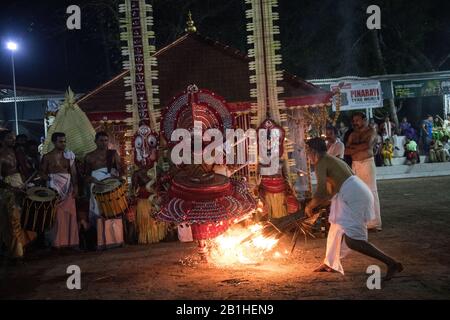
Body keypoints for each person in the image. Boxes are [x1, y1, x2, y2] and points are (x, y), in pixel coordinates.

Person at [304, 137, 403, 279]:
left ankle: (391, 263)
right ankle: (330, 263)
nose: (308, 158)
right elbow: (330, 192)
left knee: (353, 241)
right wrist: (320, 203)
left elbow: (321, 192)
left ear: (313, 152)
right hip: (353, 193)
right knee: (336, 228)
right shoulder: (330, 160)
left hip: (355, 196)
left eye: (308, 153)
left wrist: (310, 206)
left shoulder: (322, 163)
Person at [84, 131, 124, 249]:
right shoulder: (89, 156)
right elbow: (86, 176)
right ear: (95, 141)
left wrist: (116, 178)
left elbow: (121, 170)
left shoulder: (113, 154)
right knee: (100, 213)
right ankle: (102, 242)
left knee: (114, 211)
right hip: (97, 187)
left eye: (106, 140)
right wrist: (94, 180)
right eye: (101, 140)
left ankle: (116, 240)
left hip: (111, 186)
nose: (104, 143)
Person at [40, 132, 79, 249]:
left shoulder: (69, 155)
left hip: (68, 187)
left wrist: (76, 186)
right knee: (56, 216)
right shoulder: (47, 157)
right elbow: (41, 172)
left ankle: (71, 242)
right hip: (53, 188)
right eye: (60, 141)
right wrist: (49, 179)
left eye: (64, 141)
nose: (63, 144)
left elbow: (73, 173)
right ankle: (57, 243)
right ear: (54, 142)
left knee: (70, 214)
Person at [345, 112, 381, 231]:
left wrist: (354, 148)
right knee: (359, 193)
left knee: (371, 192)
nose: (355, 122)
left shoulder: (371, 131)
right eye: (354, 120)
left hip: (367, 163)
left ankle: (374, 223)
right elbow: (346, 150)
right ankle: (363, 222)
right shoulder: (352, 134)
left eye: (357, 120)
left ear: (364, 120)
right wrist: (357, 148)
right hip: (355, 164)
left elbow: (367, 145)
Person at [0, 130, 25, 260]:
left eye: (14, 138)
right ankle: (16, 253)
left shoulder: (16, 153)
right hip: (8, 189)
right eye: (10, 138)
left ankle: (19, 249)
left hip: (19, 185)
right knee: (12, 221)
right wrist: (11, 187)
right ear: (2, 140)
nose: (13, 140)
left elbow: (22, 170)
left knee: (20, 219)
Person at [132, 167, 167, 244]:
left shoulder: (158, 170)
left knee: (154, 218)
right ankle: (150, 237)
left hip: (153, 200)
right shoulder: (137, 173)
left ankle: (155, 236)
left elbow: (134, 189)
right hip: (147, 200)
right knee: (148, 219)